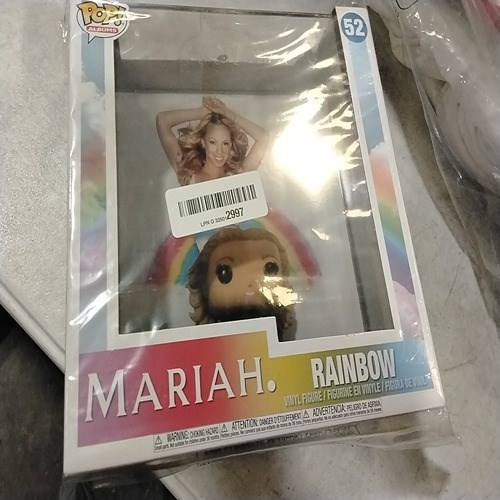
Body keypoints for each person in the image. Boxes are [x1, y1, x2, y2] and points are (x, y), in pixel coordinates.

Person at [156, 96, 269, 186]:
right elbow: (162, 120)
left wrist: (229, 114)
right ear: (203, 142)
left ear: (231, 145)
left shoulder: (238, 176)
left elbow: (263, 137)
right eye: (213, 142)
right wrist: (201, 113)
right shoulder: (189, 176)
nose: (219, 151)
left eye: (225, 143)